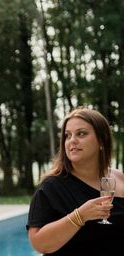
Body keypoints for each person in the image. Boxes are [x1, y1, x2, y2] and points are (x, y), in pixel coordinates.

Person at [27, 107, 124, 255]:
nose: (72, 141)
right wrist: (80, 216)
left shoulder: (120, 178)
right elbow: (39, 244)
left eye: (81, 134)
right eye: (67, 135)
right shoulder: (51, 187)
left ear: (101, 140)